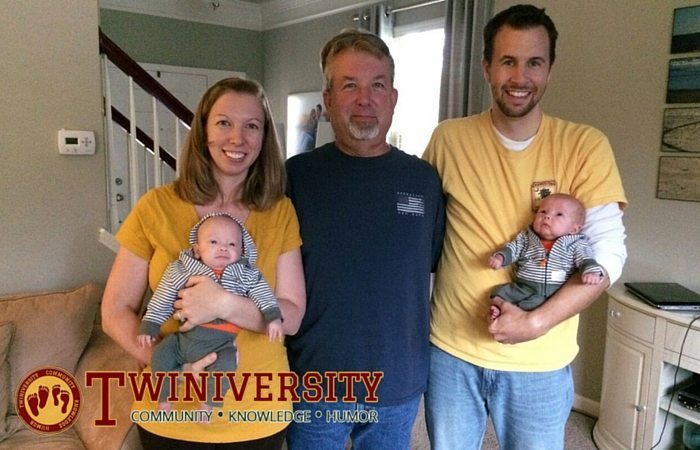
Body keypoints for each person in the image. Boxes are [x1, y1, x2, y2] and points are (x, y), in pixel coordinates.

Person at [422, 5, 627, 450]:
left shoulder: (585, 146)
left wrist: (536, 322)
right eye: (508, 61)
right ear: (486, 67)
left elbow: (609, 254)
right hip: (451, 353)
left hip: (541, 360)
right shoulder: (448, 139)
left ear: (550, 69)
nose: (520, 76)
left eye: (534, 62)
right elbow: (419, 228)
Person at [101, 77, 306, 449]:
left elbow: (291, 316)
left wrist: (224, 304)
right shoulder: (156, 206)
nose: (237, 138)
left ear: (264, 138)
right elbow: (115, 309)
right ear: (203, 132)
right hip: (170, 416)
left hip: (258, 413)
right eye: (224, 122)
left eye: (252, 126)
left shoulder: (280, 211)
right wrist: (168, 365)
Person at [285, 29, 445, 450]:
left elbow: (432, 262)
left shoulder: (423, 180)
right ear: (329, 98)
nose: (364, 99)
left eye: (377, 86)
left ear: (392, 98)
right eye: (349, 85)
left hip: (398, 379)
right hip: (315, 380)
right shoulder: (295, 177)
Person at [137, 212, 283, 412]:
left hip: (221, 343)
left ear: (242, 251)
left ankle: (209, 403)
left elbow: (263, 294)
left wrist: (273, 318)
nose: (223, 247)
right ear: (197, 250)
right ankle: (164, 398)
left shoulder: (246, 274)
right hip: (183, 339)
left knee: (226, 366)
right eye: (213, 242)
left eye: (232, 244)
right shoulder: (182, 270)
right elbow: (163, 295)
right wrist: (150, 325)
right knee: (160, 356)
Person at [488, 193, 604, 319]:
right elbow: (512, 248)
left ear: (574, 229)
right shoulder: (526, 238)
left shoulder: (576, 244)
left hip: (552, 294)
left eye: (559, 214)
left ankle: (514, 314)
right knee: (500, 292)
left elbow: (586, 259)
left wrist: (591, 272)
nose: (547, 217)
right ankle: (498, 309)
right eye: (542, 212)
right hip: (523, 287)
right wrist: (500, 257)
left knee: (537, 305)